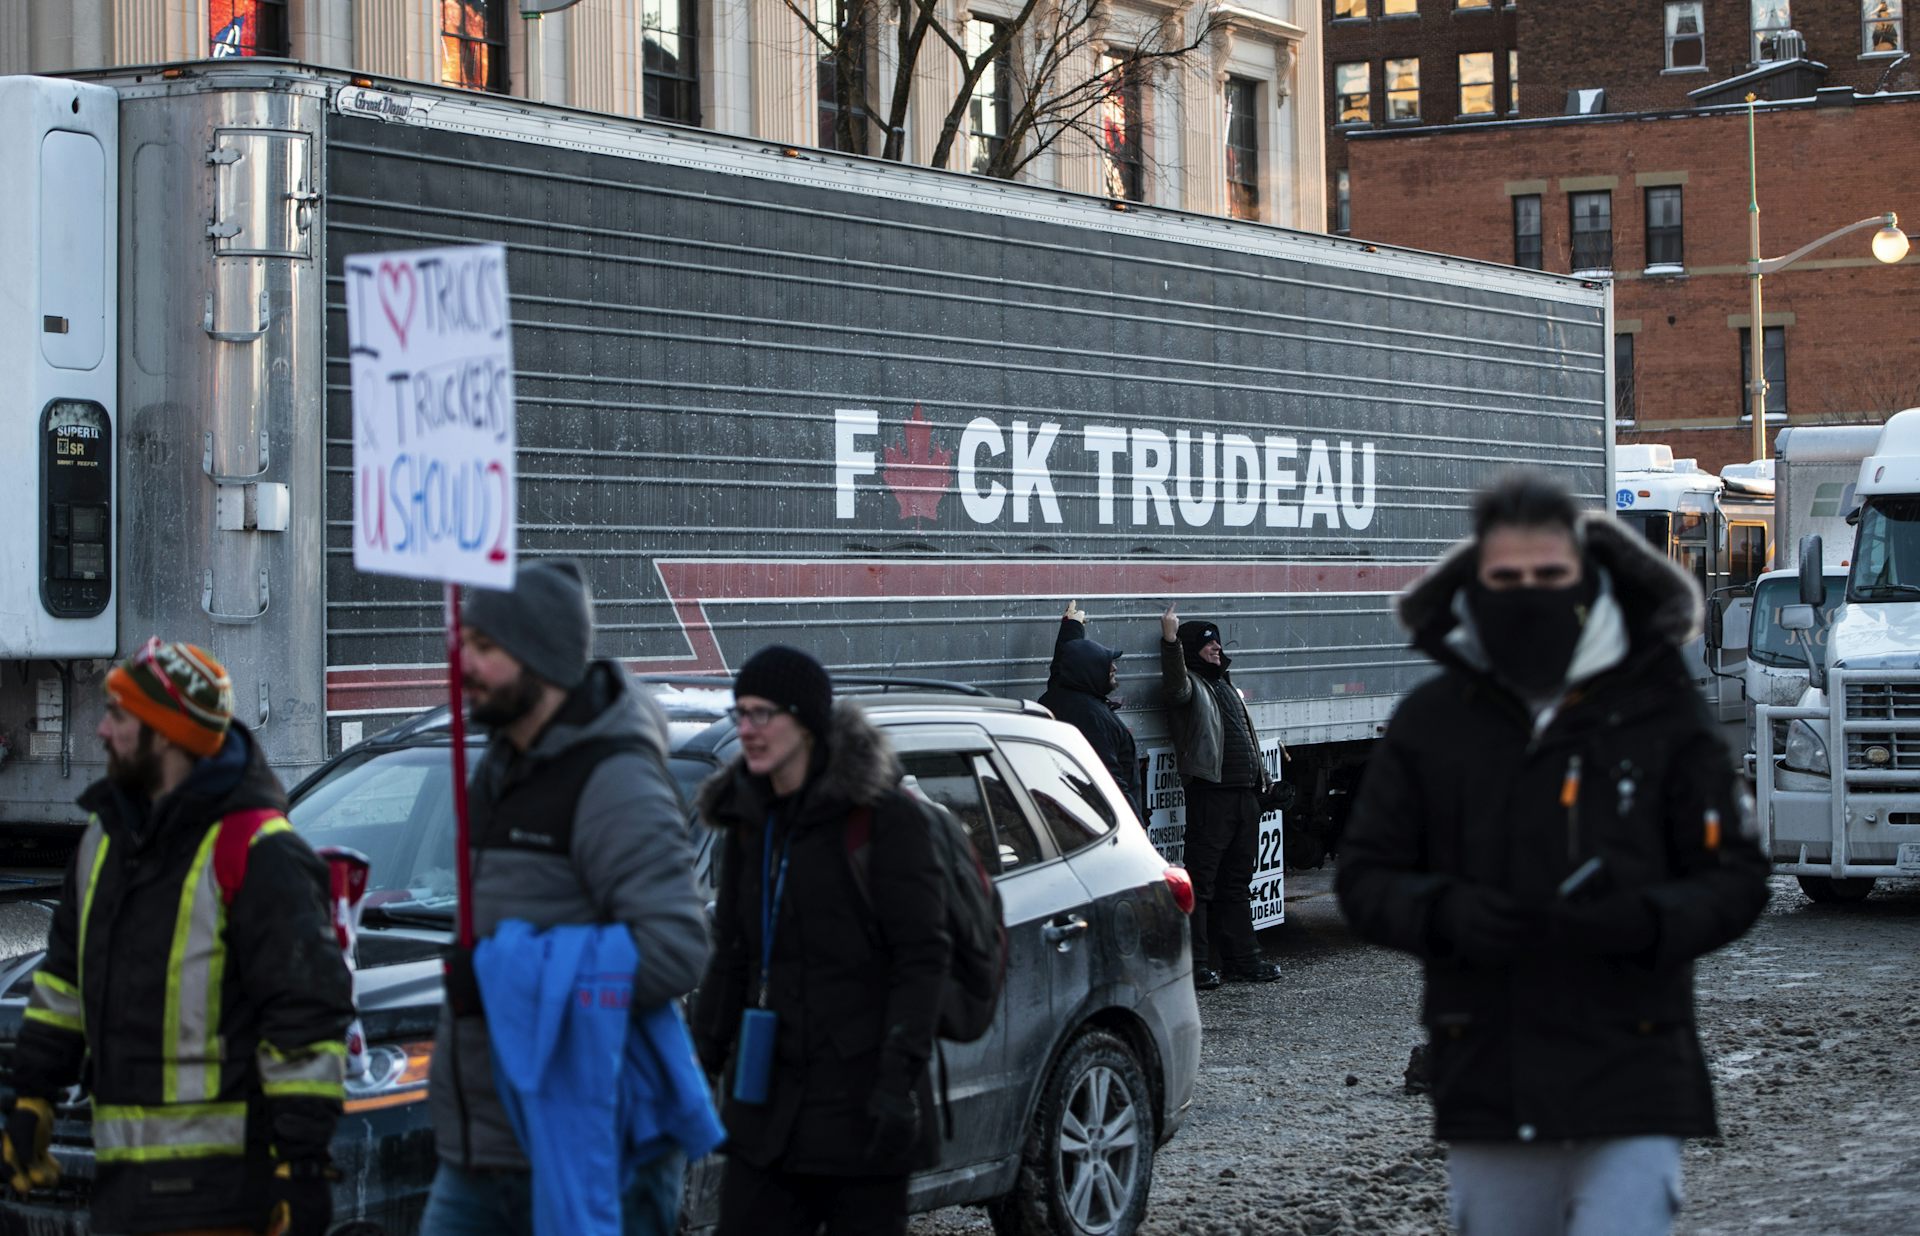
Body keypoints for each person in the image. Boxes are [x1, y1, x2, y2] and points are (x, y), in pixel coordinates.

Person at [1335, 473, 1770, 1236]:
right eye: (1507, 578)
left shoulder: (1659, 707)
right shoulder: (1433, 720)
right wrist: (1451, 914)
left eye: (1549, 575)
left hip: (1634, 1066)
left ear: (1585, 579)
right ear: (1477, 584)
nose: (1528, 593)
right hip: (1489, 1077)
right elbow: (1365, 879)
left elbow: (1735, 875)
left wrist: (1646, 921)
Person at [3, 638, 354, 1236]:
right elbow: (63, 985)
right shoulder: (102, 843)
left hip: (223, 1199)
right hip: (121, 1193)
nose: (101, 732)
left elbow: (305, 1024)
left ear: (165, 734)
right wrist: (35, 1095)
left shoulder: (258, 852)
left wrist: (303, 1168)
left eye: (118, 715)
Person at [421, 559, 709, 1236]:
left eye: (486, 648)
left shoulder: (614, 779)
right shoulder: (497, 771)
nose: (464, 662)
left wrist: (503, 973)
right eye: (465, 641)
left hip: (591, 1133)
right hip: (483, 1139)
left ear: (542, 659)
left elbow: (676, 951)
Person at [692, 646, 950, 1236]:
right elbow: (732, 954)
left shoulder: (881, 819)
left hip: (863, 1105)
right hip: (768, 1105)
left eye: (763, 714)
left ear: (805, 720)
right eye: (741, 714)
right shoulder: (749, 821)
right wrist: (699, 1064)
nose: (748, 730)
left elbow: (923, 957)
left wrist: (895, 1082)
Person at [1159, 605, 1282, 989]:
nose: (1216, 649)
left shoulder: (1226, 685)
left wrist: (1262, 786)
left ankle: (1244, 960)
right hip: (1211, 796)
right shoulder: (1192, 686)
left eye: (1216, 643)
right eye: (1208, 644)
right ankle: (1195, 965)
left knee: (1237, 882)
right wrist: (1170, 640)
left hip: (1242, 796)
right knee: (1203, 882)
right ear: (1193, 649)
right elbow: (1175, 684)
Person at [1038, 600, 1144, 822]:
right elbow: (1110, 779)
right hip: (1107, 823)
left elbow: (1064, 665)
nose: (1114, 668)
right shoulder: (1091, 717)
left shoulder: (1057, 697)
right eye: (1107, 663)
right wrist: (1135, 825)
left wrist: (1071, 627)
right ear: (1090, 670)